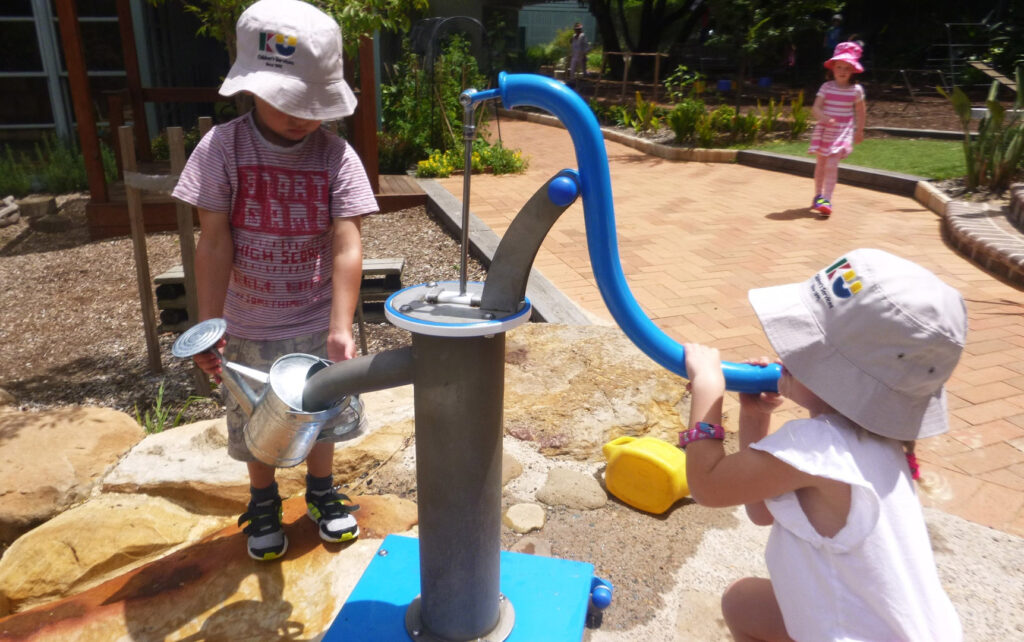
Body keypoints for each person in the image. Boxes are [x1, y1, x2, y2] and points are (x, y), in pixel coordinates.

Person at [172, 0, 379, 561]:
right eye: (289, 101)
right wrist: (210, 325)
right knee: (256, 422)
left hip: (314, 319)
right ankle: (262, 500)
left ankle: (320, 490)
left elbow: (347, 242)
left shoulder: (337, 158)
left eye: (315, 104)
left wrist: (340, 327)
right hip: (248, 323)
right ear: (250, 86)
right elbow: (213, 241)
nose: (302, 117)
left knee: (322, 416)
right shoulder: (222, 150)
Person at [679, 248, 966, 641]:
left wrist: (708, 391)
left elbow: (708, 486)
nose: (785, 353)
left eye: (802, 346)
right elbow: (762, 512)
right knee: (743, 602)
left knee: (742, 604)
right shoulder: (880, 444)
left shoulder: (816, 447)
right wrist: (755, 417)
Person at [808, 41, 866, 217]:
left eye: (847, 68)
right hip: (825, 130)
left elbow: (861, 111)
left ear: (853, 71)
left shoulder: (856, 90)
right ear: (832, 68)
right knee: (821, 164)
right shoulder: (826, 87)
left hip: (843, 131)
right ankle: (818, 195)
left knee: (832, 163)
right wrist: (824, 118)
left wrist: (859, 131)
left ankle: (827, 199)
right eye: (839, 67)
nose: (842, 71)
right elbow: (815, 108)